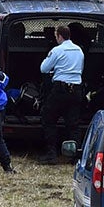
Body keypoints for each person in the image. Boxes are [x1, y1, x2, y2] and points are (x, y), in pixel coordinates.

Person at [37, 26, 87, 163]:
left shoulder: (57, 51)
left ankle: (51, 154)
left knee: (49, 118)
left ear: (59, 36)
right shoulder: (79, 50)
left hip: (60, 89)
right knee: (73, 124)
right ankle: (75, 156)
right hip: (76, 89)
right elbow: (80, 69)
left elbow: (44, 68)